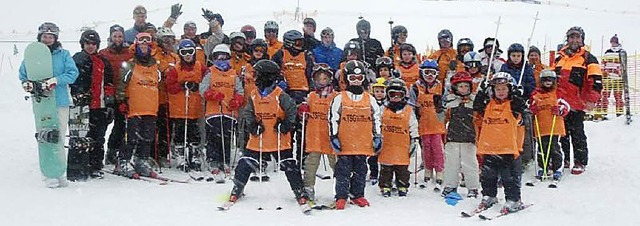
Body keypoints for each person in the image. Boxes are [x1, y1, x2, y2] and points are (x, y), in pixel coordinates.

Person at [227, 59, 307, 207]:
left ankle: (299, 190)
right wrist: (253, 126)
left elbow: (291, 112)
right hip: (259, 138)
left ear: (266, 76)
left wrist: (285, 125)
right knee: (245, 164)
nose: (255, 78)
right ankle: (237, 187)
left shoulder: (280, 95)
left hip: (279, 139)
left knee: (289, 165)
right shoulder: (254, 95)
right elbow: (248, 113)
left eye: (258, 75)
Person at [19, 22, 79, 188]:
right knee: (45, 135)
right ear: (40, 37)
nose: (47, 39)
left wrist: (56, 80)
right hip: (42, 102)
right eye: (45, 36)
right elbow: (23, 74)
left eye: (51, 36)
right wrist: (27, 84)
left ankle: (59, 171)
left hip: (60, 101)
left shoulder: (63, 54)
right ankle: (47, 174)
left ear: (55, 38)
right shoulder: (32, 56)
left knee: (58, 137)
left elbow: (73, 73)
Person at [329, 60, 382, 210]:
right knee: (343, 171)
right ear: (347, 79)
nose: (356, 81)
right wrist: (333, 136)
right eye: (353, 78)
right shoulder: (340, 97)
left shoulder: (369, 98)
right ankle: (341, 196)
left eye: (359, 78)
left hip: (363, 142)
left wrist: (377, 136)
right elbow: (333, 118)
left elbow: (376, 118)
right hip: (345, 142)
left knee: (361, 170)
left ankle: (357, 194)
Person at [473, 72, 527, 213]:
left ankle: (514, 199)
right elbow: (476, 107)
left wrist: (517, 94)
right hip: (489, 147)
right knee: (487, 176)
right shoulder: (488, 105)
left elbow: (521, 107)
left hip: (507, 149)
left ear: (509, 89)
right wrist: (481, 92)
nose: (501, 92)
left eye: (504, 89)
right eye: (497, 89)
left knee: (509, 177)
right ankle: (489, 195)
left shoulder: (513, 106)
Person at [555, 26, 603, 174]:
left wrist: (591, 99)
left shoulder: (588, 58)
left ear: (582, 40)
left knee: (577, 133)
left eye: (577, 37)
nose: (574, 40)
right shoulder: (559, 58)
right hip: (561, 103)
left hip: (577, 103)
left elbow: (596, 81)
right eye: (572, 37)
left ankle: (580, 161)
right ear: (567, 39)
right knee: (562, 133)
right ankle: (565, 159)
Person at [69, 29, 115, 181]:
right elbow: (72, 80)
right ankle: (78, 167)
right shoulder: (76, 59)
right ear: (82, 44)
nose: (90, 46)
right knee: (80, 137)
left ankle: (95, 165)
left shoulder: (103, 61)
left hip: (99, 106)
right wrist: (79, 93)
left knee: (98, 138)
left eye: (93, 44)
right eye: (87, 43)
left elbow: (109, 83)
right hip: (81, 106)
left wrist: (109, 103)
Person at [114, 32, 161, 179]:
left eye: (146, 46)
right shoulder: (130, 64)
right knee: (131, 137)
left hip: (151, 107)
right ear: (136, 46)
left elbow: (159, 83)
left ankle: (142, 160)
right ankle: (123, 161)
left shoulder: (155, 65)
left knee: (147, 137)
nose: (144, 48)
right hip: (134, 107)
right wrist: (121, 101)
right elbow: (121, 85)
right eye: (141, 45)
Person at [201, 44, 245, 182]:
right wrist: (211, 94)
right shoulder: (210, 72)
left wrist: (237, 100)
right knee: (214, 136)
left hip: (229, 112)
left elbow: (240, 91)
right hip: (213, 111)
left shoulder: (233, 74)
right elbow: (202, 89)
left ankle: (225, 159)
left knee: (226, 136)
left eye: (224, 58)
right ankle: (213, 160)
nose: (221, 60)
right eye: (218, 58)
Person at [165, 39, 208, 172]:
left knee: (194, 133)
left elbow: (208, 79)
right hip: (179, 108)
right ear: (180, 54)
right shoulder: (175, 69)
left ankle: (194, 155)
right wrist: (182, 85)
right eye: (184, 52)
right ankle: (181, 155)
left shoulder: (200, 66)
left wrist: (197, 86)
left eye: (190, 52)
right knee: (179, 133)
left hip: (195, 108)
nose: (188, 55)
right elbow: (169, 87)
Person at [298, 63, 338, 203]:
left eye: (325, 79)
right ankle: (308, 188)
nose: (322, 81)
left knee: (336, 164)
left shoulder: (336, 96)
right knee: (311, 164)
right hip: (314, 135)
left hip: (331, 136)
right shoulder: (311, 96)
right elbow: (304, 113)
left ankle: (341, 188)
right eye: (319, 79)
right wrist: (303, 110)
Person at [440, 71, 480, 198]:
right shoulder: (450, 102)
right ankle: (450, 186)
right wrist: (438, 110)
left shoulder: (474, 102)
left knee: (470, 164)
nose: (464, 89)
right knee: (452, 164)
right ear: (455, 88)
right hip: (452, 138)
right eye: (461, 86)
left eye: (466, 86)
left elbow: (479, 119)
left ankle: (473, 187)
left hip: (469, 138)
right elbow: (442, 119)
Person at [378, 78, 419, 197]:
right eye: (392, 94)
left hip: (402, 145)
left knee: (402, 168)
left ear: (403, 95)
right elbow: (377, 122)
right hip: (387, 144)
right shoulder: (383, 109)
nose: (395, 97)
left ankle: (402, 185)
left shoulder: (408, 110)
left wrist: (415, 139)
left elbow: (413, 125)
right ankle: (385, 186)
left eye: (399, 95)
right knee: (386, 168)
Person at [409, 59, 445, 190]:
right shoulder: (415, 87)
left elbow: (445, 103)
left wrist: (441, 107)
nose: (430, 75)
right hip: (423, 123)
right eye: (427, 72)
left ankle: (440, 170)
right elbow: (411, 105)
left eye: (433, 73)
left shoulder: (440, 87)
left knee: (438, 149)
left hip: (436, 124)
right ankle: (428, 169)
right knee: (426, 149)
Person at [100, 25, 134, 165]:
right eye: (115, 36)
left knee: (120, 125)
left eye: (120, 36)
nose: (118, 39)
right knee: (104, 124)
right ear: (110, 37)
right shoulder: (104, 53)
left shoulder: (129, 53)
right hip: (107, 93)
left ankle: (113, 151)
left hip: (122, 94)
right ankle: (98, 152)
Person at [529, 70, 569, 181]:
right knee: (542, 148)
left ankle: (558, 168)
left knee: (555, 147)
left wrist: (560, 110)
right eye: (545, 80)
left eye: (550, 80)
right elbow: (530, 105)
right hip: (541, 126)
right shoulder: (536, 94)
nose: (547, 82)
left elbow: (566, 106)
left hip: (554, 126)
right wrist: (532, 109)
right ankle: (543, 167)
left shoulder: (558, 93)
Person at [500, 43, 536, 166]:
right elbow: (501, 82)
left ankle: (526, 157)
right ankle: (507, 153)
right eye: (513, 55)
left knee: (525, 129)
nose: (516, 58)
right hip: (508, 102)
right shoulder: (505, 67)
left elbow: (532, 85)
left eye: (518, 56)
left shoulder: (526, 68)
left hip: (522, 102)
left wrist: (524, 90)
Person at [152, 27, 180, 167]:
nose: (169, 42)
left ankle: (163, 154)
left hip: (171, 99)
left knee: (167, 128)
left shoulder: (174, 57)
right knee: (153, 128)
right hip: (156, 97)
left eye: (171, 39)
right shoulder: (154, 55)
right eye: (165, 39)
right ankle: (152, 154)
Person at [596, 34, 625, 119]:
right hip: (607, 78)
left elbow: (624, 65)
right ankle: (604, 112)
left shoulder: (622, 52)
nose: (613, 44)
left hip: (618, 79)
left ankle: (619, 113)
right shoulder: (607, 52)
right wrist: (603, 72)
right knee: (605, 95)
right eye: (611, 42)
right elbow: (603, 63)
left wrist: (620, 72)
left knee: (618, 96)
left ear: (617, 42)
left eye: (614, 42)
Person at [367, 77, 386, 185]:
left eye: (382, 91)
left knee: (384, 155)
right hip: (373, 132)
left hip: (385, 132)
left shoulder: (387, 104)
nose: (379, 94)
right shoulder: (371, 102)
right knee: (373, 156)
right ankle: (373, 173)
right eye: (377, 91)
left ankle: (384, 174)